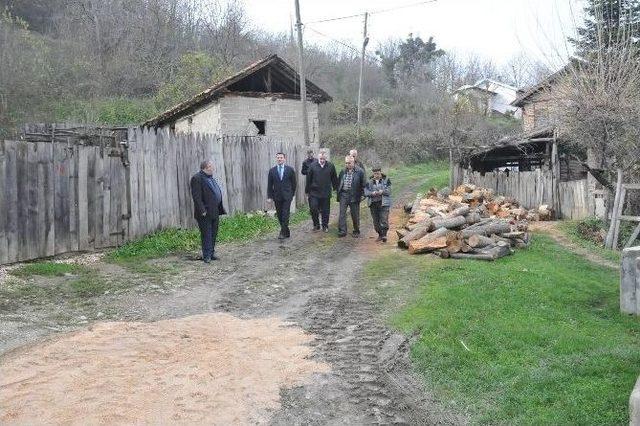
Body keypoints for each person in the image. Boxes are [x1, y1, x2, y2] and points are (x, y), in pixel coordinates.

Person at [190, 160, 226, 262]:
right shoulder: (197, 178)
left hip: (215, 211)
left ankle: (211, 253)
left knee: (213, 233)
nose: (213, 168)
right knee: (206, 234)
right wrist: (202, 210)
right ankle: (206, 256)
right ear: (205, 167)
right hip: (205, 213)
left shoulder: (210, 178)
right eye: (211, 166)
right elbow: (196, 197)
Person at [305, 150, 338, 232]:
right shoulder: (312, 166)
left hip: (325, 192)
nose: (322, 160)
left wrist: (336, 188)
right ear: (318, 158)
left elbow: (334, 178)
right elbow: (308, 179)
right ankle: (316, 225)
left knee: (325, 210)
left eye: (324, 159)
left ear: (326, 158)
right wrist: (307, 191)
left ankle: (325, 226)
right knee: (313, 208)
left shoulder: (330, 166)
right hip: (314, 192)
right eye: (321, 159)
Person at [267, 152, 297, 240]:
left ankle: (282, 232)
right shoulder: (272, 171)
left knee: (285, 214)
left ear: (284, 159)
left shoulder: (290, 170)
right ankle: (286, 231)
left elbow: (294, 183)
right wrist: (269, 197)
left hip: (287, 196)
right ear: (276, 159)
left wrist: (292, 194)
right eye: (278, 158)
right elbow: (269, 185)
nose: (279, 159)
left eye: (281, 157)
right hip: (277, 196)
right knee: (279, 214)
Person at [337, 155, 366, 238]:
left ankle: (356, 230)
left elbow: (364, 184)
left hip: (354, 195)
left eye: (349, 163)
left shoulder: (360, 171)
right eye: (346, 163)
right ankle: (342, 231)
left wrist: (363, 195)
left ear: (353, 162)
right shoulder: (343, 171)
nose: (347, 165)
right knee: (342, 213)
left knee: (355, 214)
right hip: (344, 194)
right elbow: (339, 182)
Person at [364, 167, 392, 243]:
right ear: (373, 173)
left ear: (380, 172)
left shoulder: (386, 180)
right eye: (375, 173)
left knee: (384, 219)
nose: (376, 175)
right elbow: (366, 192)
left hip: (384, 203)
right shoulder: (369, 182)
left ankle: (384, 235)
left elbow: (389, 191)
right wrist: (372, 193)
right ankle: (380, 234)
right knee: (376, 222)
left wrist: (382, 191)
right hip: (373, 203)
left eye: (378, 173)